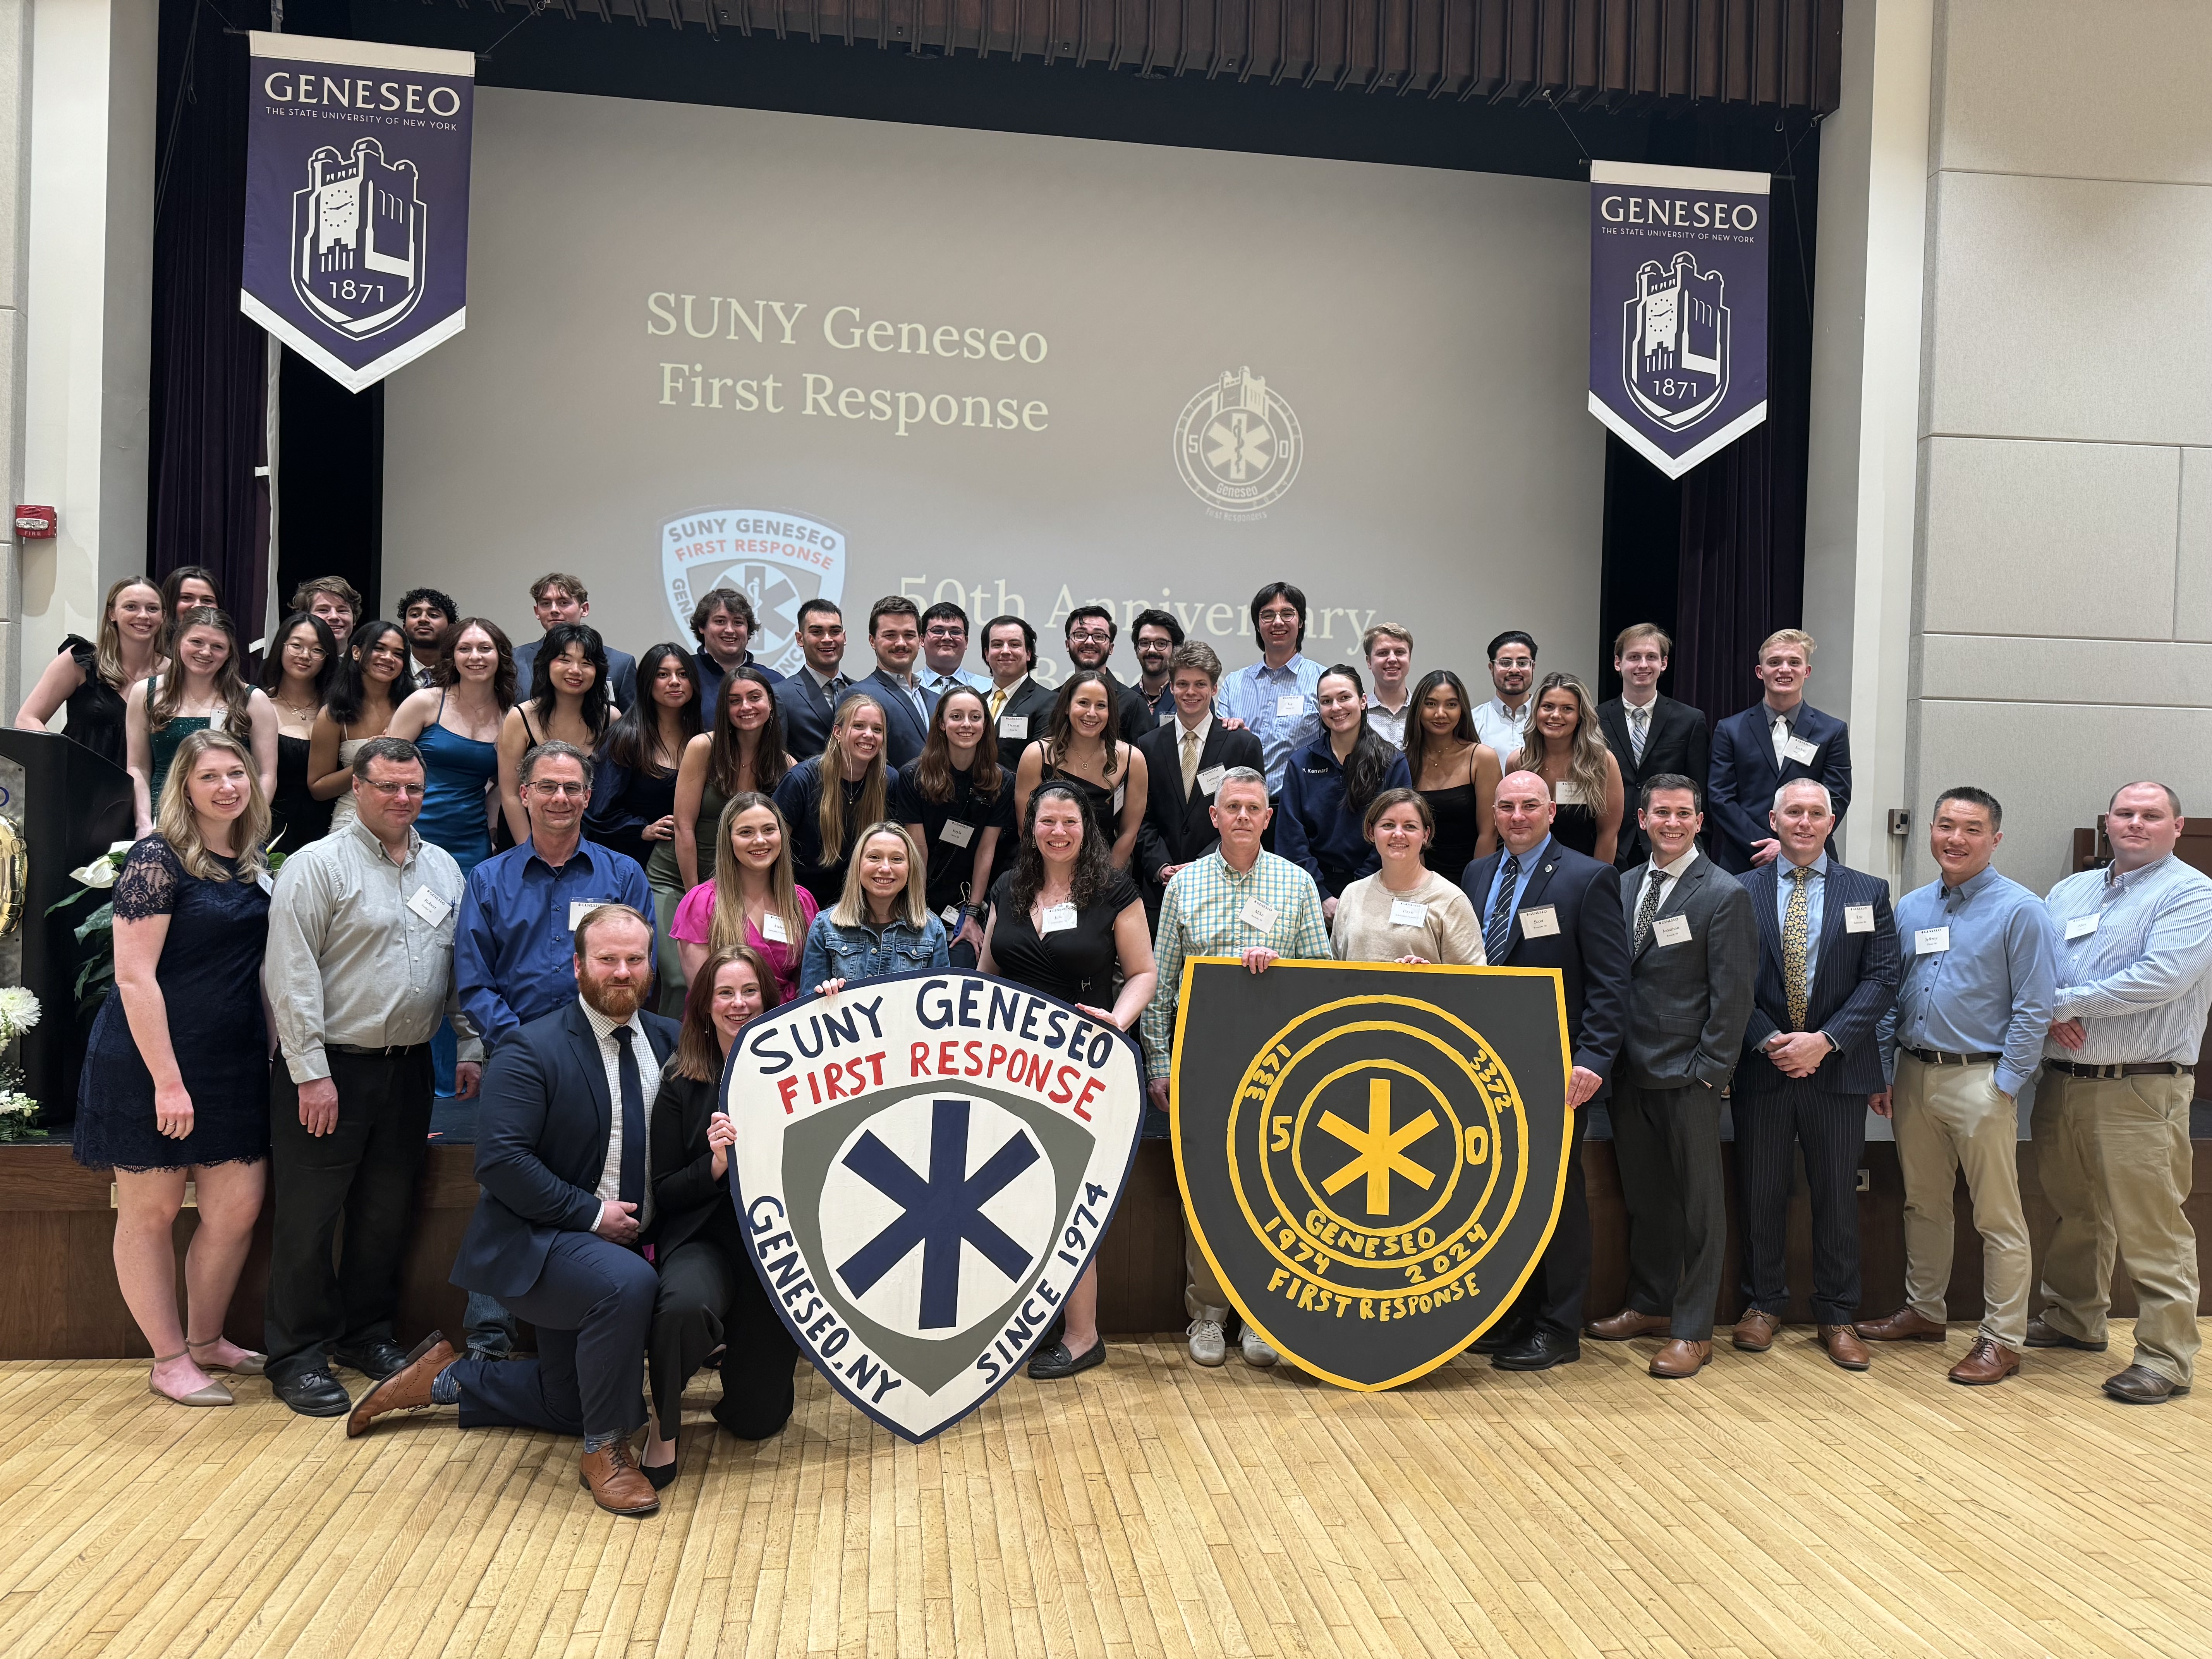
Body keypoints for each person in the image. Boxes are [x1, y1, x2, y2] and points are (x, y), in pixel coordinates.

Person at [346, 905, 678, 1519]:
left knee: (569, 1404)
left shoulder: (669, 1041)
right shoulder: (531, 1047)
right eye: (608, 959)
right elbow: (499, 1163)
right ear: (578, 966)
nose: (623, 972)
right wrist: (591, 1216)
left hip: (622, 1241)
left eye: (635, 959)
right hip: (543, 1241)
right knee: (627, 1285)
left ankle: (444, 1380)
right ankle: (606, 1452)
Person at [260, 737, 484, 1417]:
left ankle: (365, 1335)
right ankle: (296, 1354)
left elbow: (455, 967)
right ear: (357, 787)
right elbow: (290, 974)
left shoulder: (443, 867)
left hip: (410, 1067)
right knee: (308, 1217)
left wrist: (469, 1043)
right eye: (387, 786)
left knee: (385, 1211)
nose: (401, 799)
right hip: (330, 1070)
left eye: (412, 787)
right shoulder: (316, 865)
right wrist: (309, 1071)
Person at [72, 730, 273, 1407]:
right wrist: (167, 1079)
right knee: (152, 1211)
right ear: (184, 786)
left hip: (233, 1061)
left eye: (236, 773)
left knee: (236, 1209)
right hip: (152, 1060)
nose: (226, 786)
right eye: (210, 775)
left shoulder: (250, 858)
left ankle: (208, 1338)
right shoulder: (156, 857)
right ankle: (167, 1358)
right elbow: (133, 976)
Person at [454, 739, 655, 1362]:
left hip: (604, 1053)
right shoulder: (488, 879)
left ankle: (596, 1319)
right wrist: (523, 1048)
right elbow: (473, 978)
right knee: (510, 1183)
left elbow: (635, 965)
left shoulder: (622, 874)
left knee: (602, 1173)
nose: (561, 798)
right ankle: (489, 1339)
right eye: (548, 787)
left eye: (572, 788)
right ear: (524, 794)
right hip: (518, 1058)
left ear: (588, 797)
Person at [1853, 787, 2054, 1386]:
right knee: (1925, 1203)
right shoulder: (1912, 907)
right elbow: (1891, 995)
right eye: (1945, 826)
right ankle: (1925, 1311)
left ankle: (2002, 1339)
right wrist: (1888, 1069)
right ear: (1931, 832)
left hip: (1982, 1078)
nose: (1955, 839)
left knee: (1998, 1217)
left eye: (1971, 828)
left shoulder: (2022, 910)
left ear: (1995, 839)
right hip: (1914, 1075)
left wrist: (2007, 1082)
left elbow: (2035, 1005)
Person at [1139, 768, 1330, 1369]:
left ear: (1268, 818)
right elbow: (1160, 985)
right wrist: (1161, 1066)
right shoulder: (1183, 887)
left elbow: (1325, 980)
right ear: (1215, 817)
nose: (1244, 816)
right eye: (1233, 807)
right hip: (1204, 1062)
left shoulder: (1297, 884)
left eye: (1254, 807)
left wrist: (1285, 971)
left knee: (1279, 1188)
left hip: (1282, 1067)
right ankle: (1208, 1315)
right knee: (1209, 1191)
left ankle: (1262, 1314)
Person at [2032, 781, 2212, 1405]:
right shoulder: (2070, 890)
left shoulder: (2191, 892)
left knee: (2153, 1225)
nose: (2137, 823)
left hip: (2142, 1085)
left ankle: (2166, 1357)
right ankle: (2073, 1319)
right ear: (2107, 822)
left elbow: (2161, 977)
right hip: (2063, 1081)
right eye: (2126, 813)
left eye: (2152, 815)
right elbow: (2038, 965)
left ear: (2177, 826)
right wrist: (2048, 1008)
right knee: (2075, 1211)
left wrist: (2067, 1002)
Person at [1581, 775, 1757, 1379]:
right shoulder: (1624, 885)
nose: (1673, 823)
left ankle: (1693, 1330)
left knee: (1700, 1213)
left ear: (1701, 822)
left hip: (1690, 1080)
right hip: (1629, 1075)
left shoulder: (1725, 894)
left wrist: (1710, 1074)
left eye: (1684, 814)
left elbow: (1733, 997)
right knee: (1648, 1202)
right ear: (1642, 819)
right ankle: (1651, 1305)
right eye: (1662, 813)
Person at [979, 783, 1156, 1382]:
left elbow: (1143, 974)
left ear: (1087, 828)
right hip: (1011, 1066)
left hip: (1084, 1064)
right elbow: (989, 974)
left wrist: (1119, 1023)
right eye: (1047, 821)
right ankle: (1032, 1322)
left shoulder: (1113, 889)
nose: (1058, 832)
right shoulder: (1010, 886)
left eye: (1069, 822)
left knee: (1068, 1195)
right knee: (1012, 1195)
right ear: (1031, 828)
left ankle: (1084, 1336)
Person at [1458, 771, 1630, 1372]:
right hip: (1488, 1065)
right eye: (1506, 806)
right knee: (1505, 1196)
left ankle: (1559, 1327)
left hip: (1560, 1070)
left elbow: (1612, 985)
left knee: (1557, 1199)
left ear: (1552, 812)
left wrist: (1593, 1060)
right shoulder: (1478, 874)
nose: (1517, 816)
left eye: (1530, 805)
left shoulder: (1589, 878)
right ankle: (1515, 1316)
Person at [1729, 779, 1899, 1371]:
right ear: (1773, 819)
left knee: (1836, 1196)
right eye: (1793, 812)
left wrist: (1825, 1042)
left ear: (1833, 822)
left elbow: (1881, 977)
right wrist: (1769, 1040)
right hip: (1764, 1066)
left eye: (1815, 814)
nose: (1804, 823)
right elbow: (1727, 981)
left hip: (1837, 1071)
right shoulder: (1739, 891)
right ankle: (1763, 1305)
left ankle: (1837, 1314)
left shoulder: (1869, 892)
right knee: (1761, 1190)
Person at [642, 946, 799, 1488]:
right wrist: (712, 1166)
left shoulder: (801, 1068)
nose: (739, 1004)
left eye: (750, 991)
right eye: (725, 994)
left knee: (759, 1422)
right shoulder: (680, 1082)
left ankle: (735, 1350)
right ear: (705, 1006)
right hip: (704, 1238)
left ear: (769, 998)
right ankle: (663, 1423)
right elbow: (665, 1192)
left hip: (775, 1252)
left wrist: (830, 1011)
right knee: (683, 1304)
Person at [589, 644, 701, 1012]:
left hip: (697, 862)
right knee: (664, 974)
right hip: (640, 867)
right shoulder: (626, 736)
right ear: (646, 682)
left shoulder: (704, 735)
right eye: (663, 675)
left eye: (683, 674)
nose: (674, 683)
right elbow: (597, 812)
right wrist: (641, 829)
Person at [1132, 642, 1264, 922]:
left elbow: (1250, 816)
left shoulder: (1242, 745)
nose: (1191, 693)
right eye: (1182, 684)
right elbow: (1141, 818)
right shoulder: (1148, 746)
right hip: (1161, 890)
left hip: (1224, 886)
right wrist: (1162, 866)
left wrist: (1199, 866)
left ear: (1215, 689)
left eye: (1201, 684)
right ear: (1171, 687)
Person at [1707, 629, 1851, 874]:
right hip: (1746, 858)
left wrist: (1788, 845)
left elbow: (1836, 797)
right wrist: (1766, 845)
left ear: (1807, 672)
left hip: (1811, 856)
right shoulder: (1730, 730)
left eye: (1794, 662)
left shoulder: (1833, 731)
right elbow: (1720, 797)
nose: (1785, 670)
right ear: (1760, 672)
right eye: (1775, 663)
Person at [124, 606, 277, 835]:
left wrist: (249, 825)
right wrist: (144, 824)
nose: (206, 653)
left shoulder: (253, 700)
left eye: (218, 647)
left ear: (229, 653)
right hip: (165, 820)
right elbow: (138, 767)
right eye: (197, 642)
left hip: (229, 823)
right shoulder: (145, 693)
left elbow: (266, 774)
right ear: (179, 643)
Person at [1275, 664, 1412, 916]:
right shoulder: (1301, 763)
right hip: (1309, 893)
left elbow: (1396, 835)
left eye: (1344, 698)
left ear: (1362, 701)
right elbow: (1291, 839)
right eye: (1326, 701)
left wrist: (1354, 893)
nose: (1336, 708)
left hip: (1376, 889)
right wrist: (1322, 896)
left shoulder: (1392, 763)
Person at [387, 617, 513, 878]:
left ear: (500, 655)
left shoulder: (509, 717)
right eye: (465, 649)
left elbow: (505, 784)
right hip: (410, 830)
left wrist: (492, 829)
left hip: (471, 839)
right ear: (452, 656)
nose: (475, 657)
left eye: (485, 648)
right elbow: (385, 771)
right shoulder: (425, 702)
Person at [894, 686, 1011, 966]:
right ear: (942, 724)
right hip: (918, 895)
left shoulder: (1002, 782)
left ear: (986, 724)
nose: (967, 725)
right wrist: (917, 911)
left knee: (964, 963)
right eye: (957, 717)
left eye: (975, 717)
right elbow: (918, 850)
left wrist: (971, 914)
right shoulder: (912, 776)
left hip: (967, 899)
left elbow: (986, 851)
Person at [671, 794, 819, 1004]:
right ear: (729, 839)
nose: (760, 840)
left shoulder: (801, 901)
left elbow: (809, 979)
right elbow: (702, 995)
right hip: (728, 1025)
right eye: (746, 832)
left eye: (769, 830)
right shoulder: (702, 902)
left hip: (789, 1024)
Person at [16, 576, 167, 767]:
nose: (143, 616)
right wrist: (59, 760)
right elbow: (27, 719)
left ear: (163, 616)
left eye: (152, 609)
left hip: (146, 790)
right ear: (112, 613)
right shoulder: (81, 660)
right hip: (80, 787)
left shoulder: (174, 673)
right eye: (131, 607)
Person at [1597, 625, 1709, 871]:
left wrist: (1698, 848)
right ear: (1618, 663)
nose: (1643, 665)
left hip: (1669, 844)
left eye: (1651, 657)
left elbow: (1699, 790)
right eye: (1634, 657)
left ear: (1664, 663)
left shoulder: (1690, 720)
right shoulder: (1595, 719)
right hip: (1611, 846)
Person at [1328, 788, 1484, 966]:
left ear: (1425, 835)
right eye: (1388, 825)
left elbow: (1473, 982)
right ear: (1372, 832)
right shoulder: (1352, 895)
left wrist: (1431, 976)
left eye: (1410, 826)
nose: (1399, 834)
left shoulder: (1451, 900)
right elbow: (1336, 972)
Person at [672, 664, 790, 898]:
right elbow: (683, 827)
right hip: (681, 879)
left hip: (743, 886)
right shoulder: (703, 747)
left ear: (771, 703)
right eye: (735, 701)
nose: (746, 707)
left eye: (755, 698)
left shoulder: (786, 765)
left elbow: (779, 841)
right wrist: (695, 897)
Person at [1013, 670, 1148, 872]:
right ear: (1067, 707)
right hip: (1045, 871)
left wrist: (1103, 881)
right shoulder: (1037, 755)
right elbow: (1027, 829)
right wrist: (1058, 879)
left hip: (1107, 876)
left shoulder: (1133, 760)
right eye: (1083, 703)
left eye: (1101, 706)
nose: (1092, 713)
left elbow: (1129, 833)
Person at [498, 622, 616, 846]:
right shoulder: (520, 718)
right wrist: (531, 852)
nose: (575, 670)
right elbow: (511, 795)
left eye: (586, 663)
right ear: (547, 664)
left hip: (590, 841)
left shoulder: (611, 718)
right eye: (565, 660)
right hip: (525, 839)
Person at [799, 823, 951, 991]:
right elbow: (807, 1007)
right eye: (874, 857)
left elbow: (940, 1005)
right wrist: (825, 996)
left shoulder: (932, 930)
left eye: (897, 859)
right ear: (858, 864)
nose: (885, 868)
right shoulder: (824, 927)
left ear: (910, 869)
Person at [774, 692, 890, 907]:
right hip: (801, 901)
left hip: (863, 903)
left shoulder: (889, 781)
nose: (869, 735)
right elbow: (774, 848)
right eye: (859, 726)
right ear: (838, 732)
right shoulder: (802, 780)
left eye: (877, 730)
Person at [1214, 582, 1321, 796]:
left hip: (1297, 807)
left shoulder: (1322, 681)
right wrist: (1236, 741)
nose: (1278, 622)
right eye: (1268, 615)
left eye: (1287, 613)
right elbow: (1217, 750)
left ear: (1301, 622)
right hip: (1241, 806)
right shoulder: (1234, 683)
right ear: (1257, 625)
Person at [1506, 673, 1624, 866]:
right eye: (1548, 707)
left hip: (1584, 871)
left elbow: (1608, 833)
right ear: (1536, 711)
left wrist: (1595, 883)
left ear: (1580, 717)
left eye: (1567, 709)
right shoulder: (1518, 763)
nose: (1555, 715)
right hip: (1529, 871)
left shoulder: (1602, 763)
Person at [311, 620, 411, 836]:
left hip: (406, 816)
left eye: (398, 654)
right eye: (379, 648)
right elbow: (318, 789)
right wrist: (367, 762)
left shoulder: (414, 707)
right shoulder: (333, 713)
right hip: (351, 818)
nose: (388, 658)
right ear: (356, 652)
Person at [1402, 669, 1500, 883]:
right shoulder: (1403, 761)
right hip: (1419, 878)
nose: (1441, 713)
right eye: (1431, 704)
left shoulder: (1482, 758)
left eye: (1451, 705)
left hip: (1473, 876)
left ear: (1462, 710)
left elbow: (1489, 833)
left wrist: (1477, 886)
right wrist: (1422, 886)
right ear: (1418, 709)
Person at [258, 611, 338, 852]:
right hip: (270, 829)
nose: (306, 656)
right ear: (281, 646)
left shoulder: (338, 711)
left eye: (317, 650)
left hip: (330, 830)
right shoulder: (257, 703)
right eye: (296, 646)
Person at [514, 572, 638, 709]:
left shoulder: (621, 664)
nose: (554, 610)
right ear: (537, 612)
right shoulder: (515, 659)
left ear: (584, 609)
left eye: (563, 603)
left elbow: (631, 724)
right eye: (546, 604)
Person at [841, 596, 935, 768]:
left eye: (909, 635)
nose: (901, 643)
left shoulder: (937, 700)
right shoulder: (859, 695)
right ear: (873, 641)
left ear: (921, 640)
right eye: (890, 635)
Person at [687, 586, 783, 730]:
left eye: (738, 622)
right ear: (702, 627)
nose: (730, 630)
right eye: (720, 621)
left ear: (748, 629)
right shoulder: (683, 674)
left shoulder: (774, 682)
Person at [1060, 605, 1153, 744]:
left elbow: (1146, 760)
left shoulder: (1134, 704)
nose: (1089, 642)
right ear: (1068, 644)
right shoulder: (1054, 700)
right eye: (1080, 635)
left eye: (1099, 636)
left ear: (1111, 648)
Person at [778, 598, 852, 762]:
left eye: (835, 631)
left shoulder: (861, 691)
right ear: (800, 638)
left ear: (844, 637)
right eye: (817, 632)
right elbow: (778, 758)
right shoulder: (781, 695)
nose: (827, 639)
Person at [980, 614, 1056, 772]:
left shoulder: (1050, 702)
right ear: (987, 654)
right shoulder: (977, 702)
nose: (1005, 651)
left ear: (1029, 653)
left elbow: (1042, 766)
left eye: (1014, 644)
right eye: (997, 645)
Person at [1472, 631, 1538, 760]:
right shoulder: (1473, 723)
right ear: (1492, 668)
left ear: (1533, 667)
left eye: (1523, 663)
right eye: (1505, 663)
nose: (1514, 670)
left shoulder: (1550, 720)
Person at [918, 601, 990, 697]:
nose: (947, 637)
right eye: (938, 631)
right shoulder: (908, 688)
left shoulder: (988, 689)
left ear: (966, 642)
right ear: (922, 639)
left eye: (956, 632)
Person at [1360, 623, 1413, 749]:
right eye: (1383, 653)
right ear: (1369, 662)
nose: (1392, 659)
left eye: (1400, 652)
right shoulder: (1358, 716)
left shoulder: (1423, 713)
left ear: (1409, 658)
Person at [1130, 608, 1184, 723]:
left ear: (1175, 650)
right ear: (1136, 650)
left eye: (1161, 644)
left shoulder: (1192, 698)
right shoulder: (1123, 700)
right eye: (1144, 643)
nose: (1152, 650)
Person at [398, 586, 458, 689]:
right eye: (415, 615)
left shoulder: (461, 672)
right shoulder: (393, 669)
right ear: (405, 628)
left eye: (433, 615)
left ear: (450, 628)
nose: (423, 619)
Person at [290, 576, 362, 652]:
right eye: (323, 610)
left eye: (342, 611)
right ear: (306, 617)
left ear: (354, 618)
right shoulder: (293, 661)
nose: (334, 616)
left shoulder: (366, 663)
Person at [158, 565, 221, 641]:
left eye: (207, 600)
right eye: (187, 598)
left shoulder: (227, 650)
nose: (198, 606)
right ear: (169, 602)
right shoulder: (150, 650)